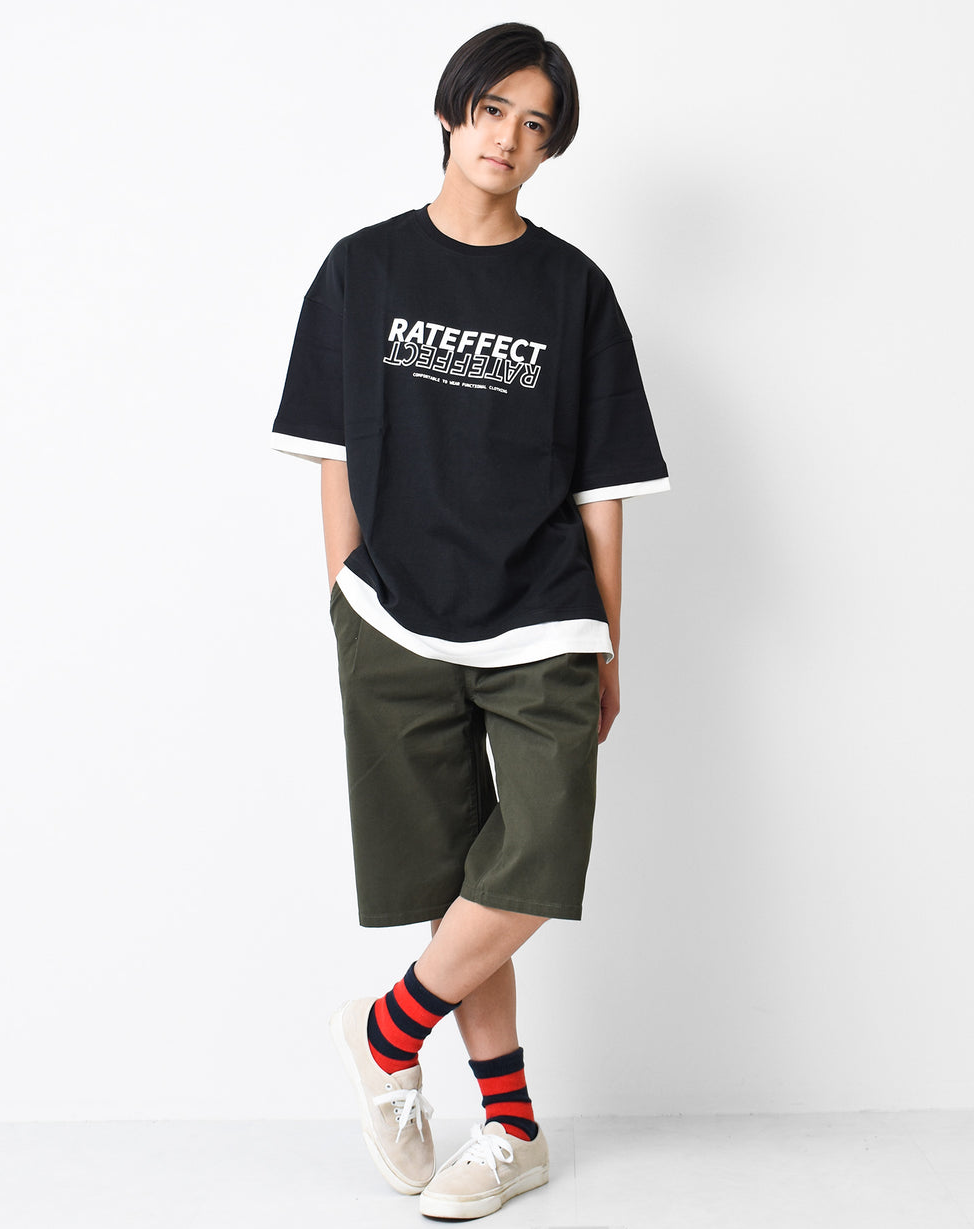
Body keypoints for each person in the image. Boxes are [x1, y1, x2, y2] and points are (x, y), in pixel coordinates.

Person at [271, 21, 669, 1221]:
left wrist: (607, 639)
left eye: (535, 124)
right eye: (494, 109)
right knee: (452, 886)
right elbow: (331, 453)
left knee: (534, 860)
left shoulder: (573, 290)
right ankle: (512, 1128)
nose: (508, 138)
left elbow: (603, 489)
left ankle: (384, 1030)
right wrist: (346, 598)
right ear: (452, 113)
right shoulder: (364, 269)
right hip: (393, 613)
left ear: (551, 149)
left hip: (541, 614)